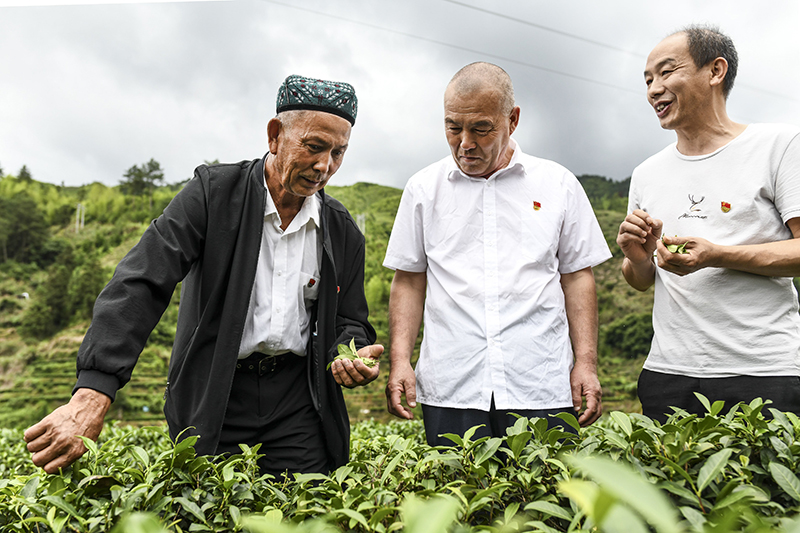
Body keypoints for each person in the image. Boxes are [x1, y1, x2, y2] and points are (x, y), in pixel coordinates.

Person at [24, 75, 383, 476]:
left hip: (297, 404)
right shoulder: (213, 195)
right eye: (314, 147)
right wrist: (94, 389)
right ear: (275, 135)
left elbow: (350, 319)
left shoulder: (341, 229)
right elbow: (142, 281)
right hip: (217, 394)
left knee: (303, 511)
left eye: (338, 152)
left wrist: (350, 353)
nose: (324, 166)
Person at [383, 62, 612, 445]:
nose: (465, 142)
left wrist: (586, 364)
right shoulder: (423, 189)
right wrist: (400, 360)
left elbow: (577, 277)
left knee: (544, 499)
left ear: (513, 120)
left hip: (540, 381)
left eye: (481, 129)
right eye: (453, 127)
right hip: (452, 385)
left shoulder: (558, 184)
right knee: (460, 499)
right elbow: (409, 279)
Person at [617, 25, 800, 423]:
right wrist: (636, 258)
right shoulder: (646, 173)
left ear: (715, 71)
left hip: (764, 372)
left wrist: (717, 255)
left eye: (666, 72)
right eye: (648, 79)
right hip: (667, 373)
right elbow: (641, 279)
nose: (653, 89)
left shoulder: (780, 146)